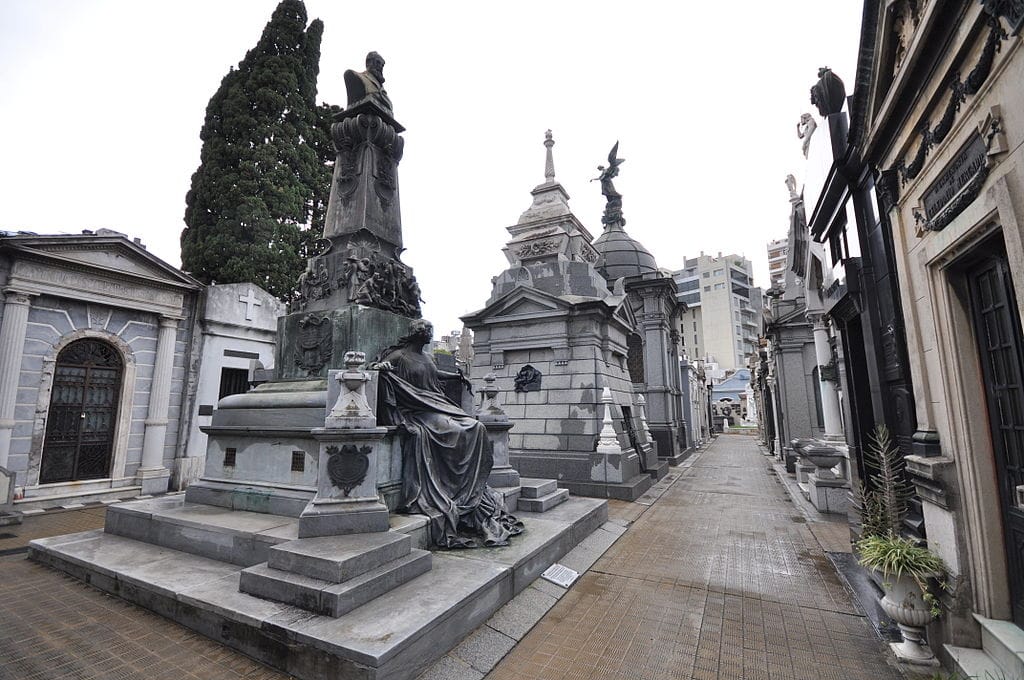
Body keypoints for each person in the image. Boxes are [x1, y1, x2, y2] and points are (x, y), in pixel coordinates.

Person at [372, 320, 523, 548]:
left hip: (435, 405)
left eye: (429, 332)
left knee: (475, 427)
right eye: (425, 332)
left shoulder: (427, 358)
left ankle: (466, 487)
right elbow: (377, 369)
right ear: (416, 334)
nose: (428, 335)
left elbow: (435, 375)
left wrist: (455, 377)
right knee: (464, 429)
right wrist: (380, 369)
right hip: (418, 410)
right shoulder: (399, 356)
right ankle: (455, 485)